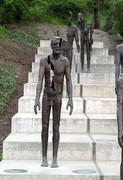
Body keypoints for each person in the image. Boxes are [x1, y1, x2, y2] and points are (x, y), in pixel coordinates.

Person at [34, 36, 73, 168]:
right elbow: (40, 80)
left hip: (57, 98)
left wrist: (71, 99)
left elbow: (69, 81)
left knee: (56, 127)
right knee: (45, 127)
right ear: (51, 45)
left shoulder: (65, 61)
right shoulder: (44, 61)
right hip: (46, 97)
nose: (58, 46)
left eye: (60, 44)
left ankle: (54, 158)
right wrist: (36, 99)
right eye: (55, 44)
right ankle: (44, 157)